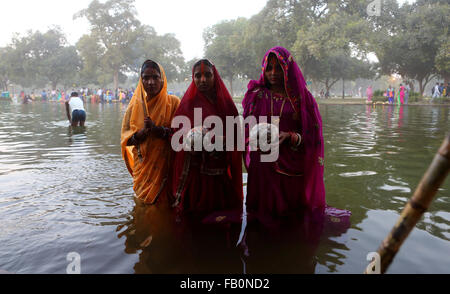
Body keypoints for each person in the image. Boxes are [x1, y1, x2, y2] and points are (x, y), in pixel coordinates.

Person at [242, 46, 351, 220]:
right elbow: (247, 129)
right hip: (262, 163)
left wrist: (290, 136)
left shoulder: (302, 98)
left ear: (287, 68)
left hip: (291, 164)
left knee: (291, 219)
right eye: (269, 68)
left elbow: (313, 135)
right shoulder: (256, 96)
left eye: (278, 67)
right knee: (262, 218)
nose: (273, 72)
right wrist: (252, 142)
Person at [171, 59, 244, 220]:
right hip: (195, 177)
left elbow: (237, 139)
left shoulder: (227, 106)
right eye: (198, 76)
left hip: (219, 176)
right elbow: (177, 136)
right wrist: (193, 138)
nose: (202, 80)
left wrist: (217, 140)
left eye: (207, 75)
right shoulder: (187, 105)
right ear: (193, 77)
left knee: (222, 224)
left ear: (214, 76)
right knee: (193, 224)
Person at [121, 60, 180, 205]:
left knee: (165, 208)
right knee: (144, 207)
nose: (150, 82)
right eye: (146, 78)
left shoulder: (174, 103)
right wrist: (140, 135)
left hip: (166, 168)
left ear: (162, 79)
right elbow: (126, 140)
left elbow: (181, 136)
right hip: (143, 169)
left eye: (155, 77)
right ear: (141, 80)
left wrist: (158, 130)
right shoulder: (134, 107)